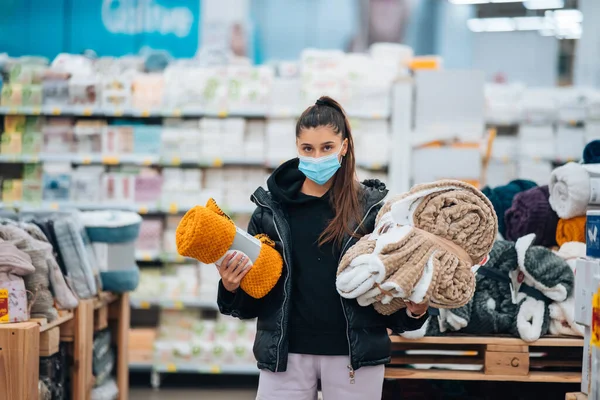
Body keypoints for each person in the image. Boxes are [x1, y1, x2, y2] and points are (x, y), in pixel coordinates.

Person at [217, 96, 429, 399]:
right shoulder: (270, 212)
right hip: (285, 357)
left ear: (343, 146)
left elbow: (391, 299)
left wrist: (415, 311)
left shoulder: (373, 214)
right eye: (308, 149)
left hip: (354, 358)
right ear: (297, 149)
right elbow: (251, 303)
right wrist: (231, 286)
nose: (317, 157)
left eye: (327, 147)